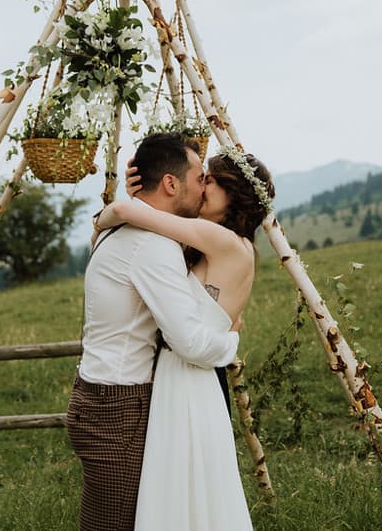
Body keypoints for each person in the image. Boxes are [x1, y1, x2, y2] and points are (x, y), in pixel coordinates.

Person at [65, 132, 241, 531]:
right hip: (118, 407)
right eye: (199, 178)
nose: (203, 187)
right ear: (171, 184)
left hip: (100, 395)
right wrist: (232, 340)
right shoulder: (152, 246)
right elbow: (190, 342)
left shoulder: (117, 230)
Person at [95, 147, 275, 531]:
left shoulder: (221, 240)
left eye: (211, 181)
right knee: (195, 492)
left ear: (235, 193)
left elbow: (127, 214)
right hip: (192, 379)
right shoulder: (226, 244)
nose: (203, 186)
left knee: (181, 490)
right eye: (202, 178)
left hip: (188, 378)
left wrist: (117, 210)